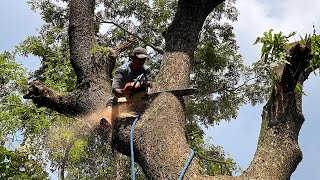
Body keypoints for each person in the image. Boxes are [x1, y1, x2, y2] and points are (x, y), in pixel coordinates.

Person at [101, 47, 150, 128]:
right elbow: (115, 87)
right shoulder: (122, 70)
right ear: (132, 58)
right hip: (126, 98)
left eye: (143, 60)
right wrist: (122, 91)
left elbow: (150, 82)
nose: (141, 62)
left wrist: (147, 85)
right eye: (138, 59)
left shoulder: (146, 70)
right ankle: (107, 119)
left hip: (142, 97)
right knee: (111, 101)